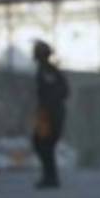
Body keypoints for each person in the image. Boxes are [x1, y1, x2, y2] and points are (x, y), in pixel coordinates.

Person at [32, 40, 69, 189]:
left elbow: (63, 91)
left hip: (51, 114)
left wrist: (49, 107)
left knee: (45, 144)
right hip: (47, 113)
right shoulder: (45, 70)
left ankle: (51, 178)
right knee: (41, 143)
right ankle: (49, 176)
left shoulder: (48, 71)